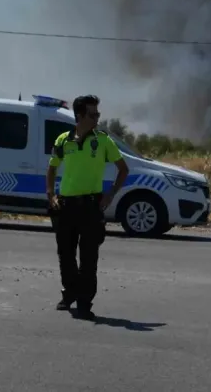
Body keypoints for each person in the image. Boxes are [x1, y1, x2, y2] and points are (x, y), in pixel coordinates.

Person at [46, 94, 129, 320]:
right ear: (80, 116)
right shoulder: (63, 140)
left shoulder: (102, 141)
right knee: (65, 255)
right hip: (66, 206)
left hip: (91, 207)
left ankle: (84, 302)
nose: (97, 119)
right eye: (93, 115)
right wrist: (51, 194)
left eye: (98, 114)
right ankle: (69, 293)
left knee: (89, 257)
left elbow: (123, 169)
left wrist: (110, 195)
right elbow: (52, 168)